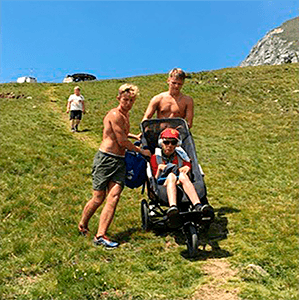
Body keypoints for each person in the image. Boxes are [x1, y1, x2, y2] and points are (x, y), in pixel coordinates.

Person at [78, 84, 151, 248]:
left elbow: (123, 135)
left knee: (114, 196)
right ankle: (83, 224)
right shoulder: (115, 114)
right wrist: (141, 151)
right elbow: (122, 141)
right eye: (125, 100)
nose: (128, 103)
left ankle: (101, 235)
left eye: (131, 100)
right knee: (98, 198)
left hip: (120, 161)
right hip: (106, 159)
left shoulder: (125, 116)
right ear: (119, 98)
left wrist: (134, 136)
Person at [150, 128, 213, 227]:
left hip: (180, 180)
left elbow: (189, 165)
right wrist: (159, 169)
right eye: (166, 142)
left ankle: (198, 205)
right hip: (164, 182)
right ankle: (173, 207)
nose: (170, 146)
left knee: (183, 176)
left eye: (173, 143)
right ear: (161, 143)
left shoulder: (181, 156)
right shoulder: (155, 158)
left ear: (177, 144)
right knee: (171, 176)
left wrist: (187, 167)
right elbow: (154, 178)